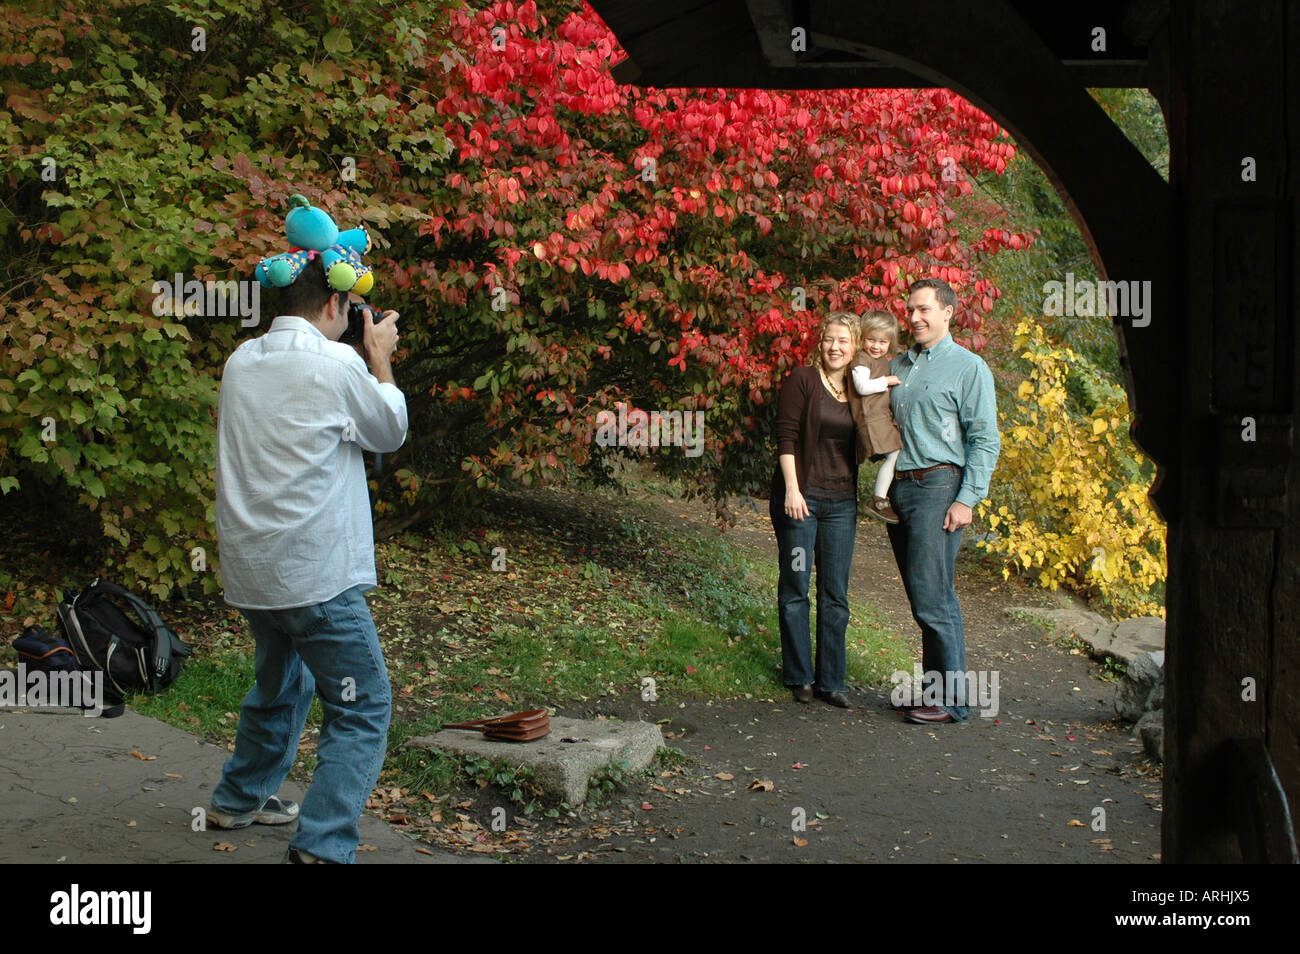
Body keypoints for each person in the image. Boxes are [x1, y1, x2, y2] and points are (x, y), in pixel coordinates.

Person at [210, 261, 407, 863]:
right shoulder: (338, 364)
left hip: (254, 572)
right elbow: (390, 430)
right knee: (362, 704)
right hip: (316, 576)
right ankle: (322, 845)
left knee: (281, 683)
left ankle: (239, 797)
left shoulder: (240, 361)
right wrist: (377, 355)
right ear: (333, 307)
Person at [886, 279, 1000, 724]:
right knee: (922, 594)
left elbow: (985, 440)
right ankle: (935, 690)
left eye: (923, 310)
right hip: (900, 490)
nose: (913, 317)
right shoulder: (900, 364)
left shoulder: (968, 368)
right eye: (910, 309)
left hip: (939, 486)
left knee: (934, 597)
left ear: (948, 313)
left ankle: (952, 701)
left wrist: (967, 499)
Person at [770, 312, 862, 708]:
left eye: (843, 340)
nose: (834, 347)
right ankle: (799, 675)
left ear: (855, 345)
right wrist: (793, 489)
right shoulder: (803, 380)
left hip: (842, 505)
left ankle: (832, 680)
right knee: (796, 584)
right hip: (801, 501)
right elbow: (786, 437)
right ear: (819, 343)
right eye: (828, 339)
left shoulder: (861, 388)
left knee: (835, 593)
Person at [848, 310, 905, 524]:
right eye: (871, 339)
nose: (876, 346)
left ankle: (881, 497)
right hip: (870, 419)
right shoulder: (861, 359)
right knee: (894, 455)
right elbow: (862, 387)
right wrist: (887, 381)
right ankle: (879, 499)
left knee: (895, 454)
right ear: (862, 338)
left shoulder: (881, 359)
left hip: (880, 417)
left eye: (882, 342)